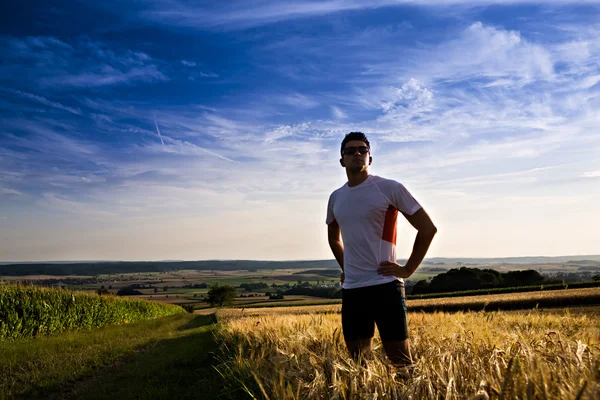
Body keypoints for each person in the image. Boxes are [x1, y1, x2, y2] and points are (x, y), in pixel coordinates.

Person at [326, 131, 437, 366]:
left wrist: (407, 270)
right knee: (358, 366)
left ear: (370, 158)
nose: (357, 153)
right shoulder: (336, 198)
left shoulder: (389, 188)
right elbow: (334, 238)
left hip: (386, 287)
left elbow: (427, 228)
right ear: (342, 160)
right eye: (350, 150)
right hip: (353, 289)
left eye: (362, 150)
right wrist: (346, 265)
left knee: (403, 365)